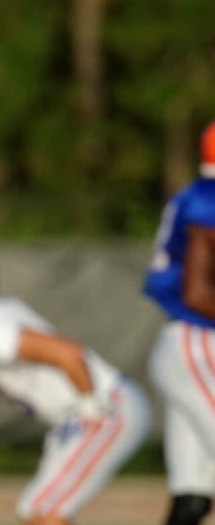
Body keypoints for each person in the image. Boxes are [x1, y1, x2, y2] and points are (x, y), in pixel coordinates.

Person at [0, 245, 151, 525]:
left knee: (47, 511)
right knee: (34, 510)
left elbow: (68, 354)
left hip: (106, 407)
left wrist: (89, 407)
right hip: (79, 415)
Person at [144, 121, 215, 525]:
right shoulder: (209, 200)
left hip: (188, 344)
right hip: (199, 343)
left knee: (192, 497)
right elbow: (198, 294)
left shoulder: (197, 194)